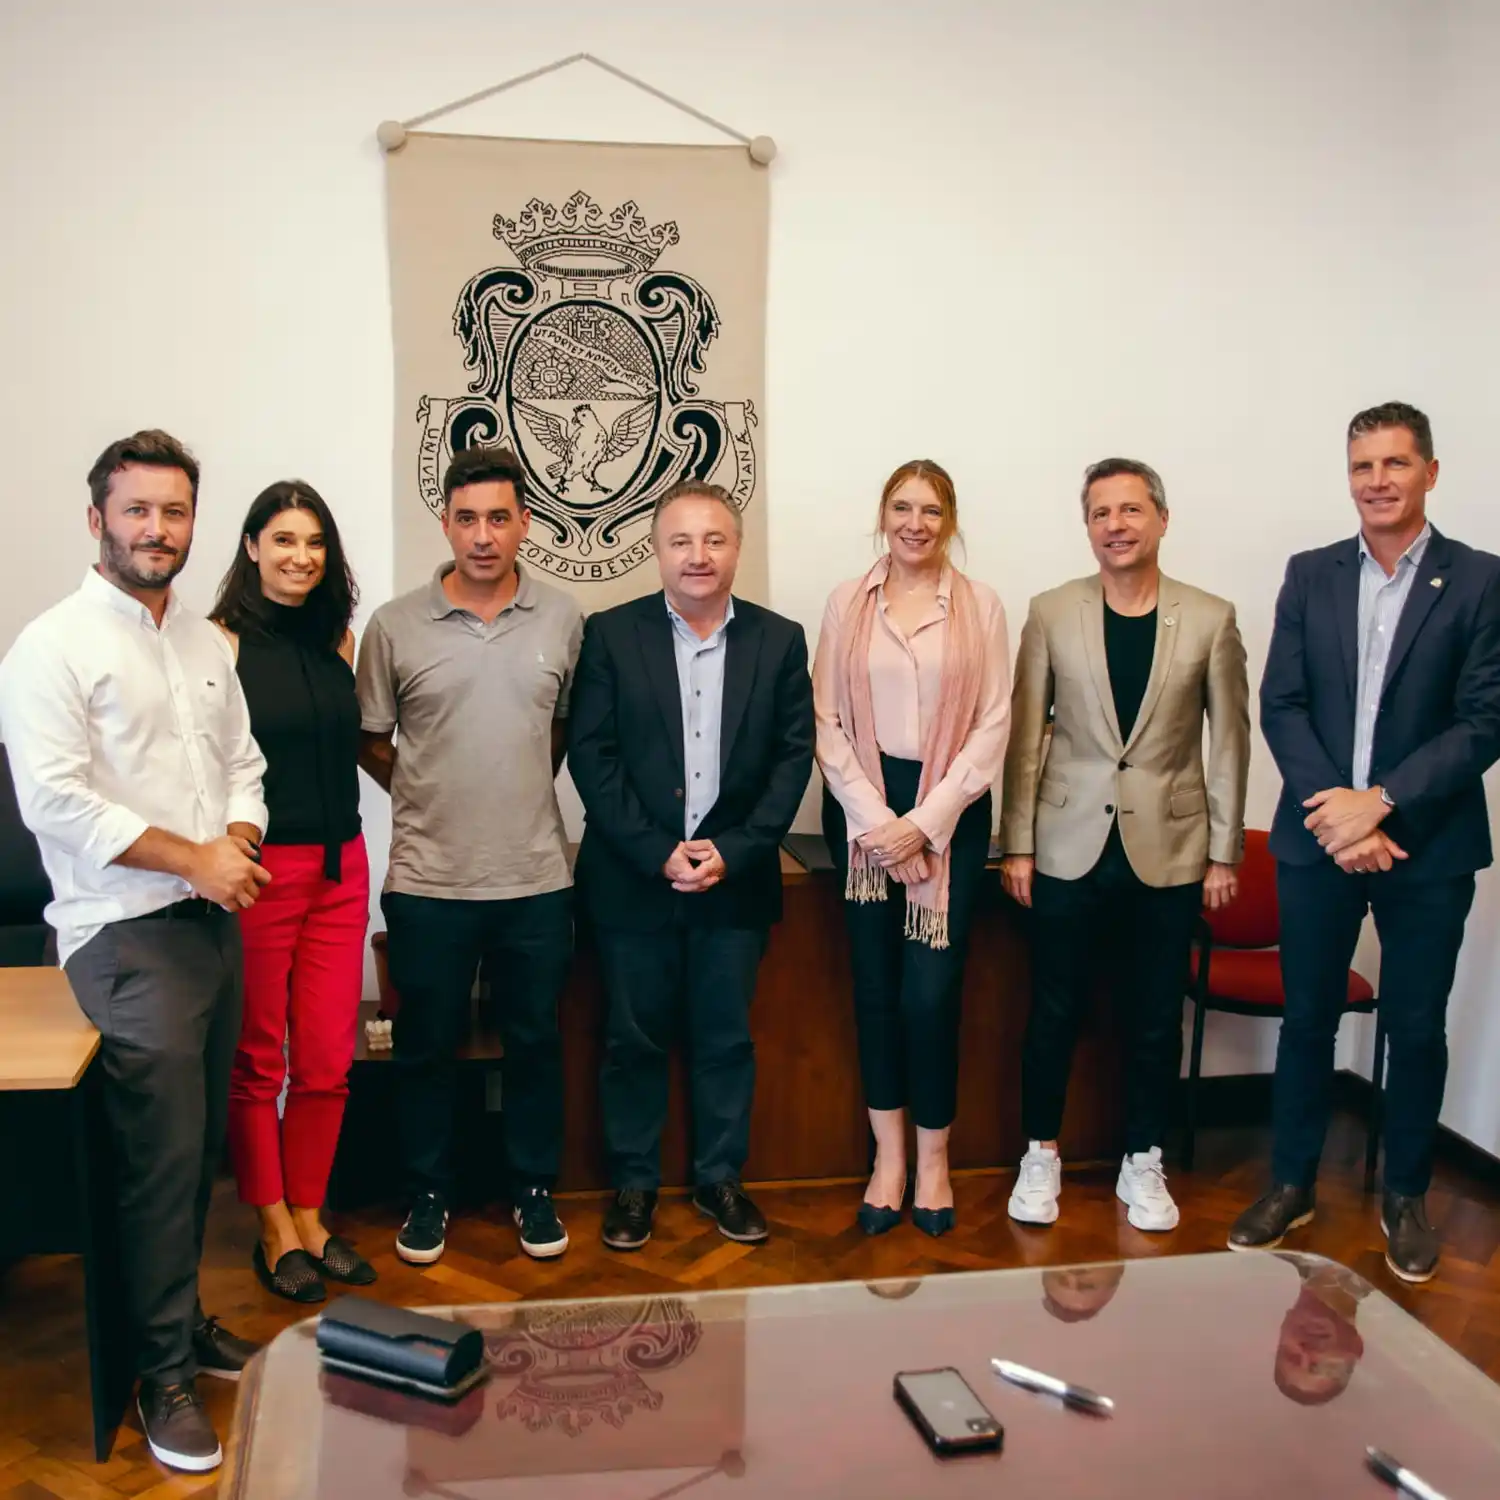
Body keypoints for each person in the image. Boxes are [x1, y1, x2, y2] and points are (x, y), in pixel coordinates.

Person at [0, 430, 270, 1472]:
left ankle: (182, 1320)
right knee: (158, 1164)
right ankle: (158, 1377)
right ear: (97, 518)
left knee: (195, 1149)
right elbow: (55, 803)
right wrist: (192, 861)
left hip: (212, 923)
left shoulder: (205, 641)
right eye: (138, 510)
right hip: (124, 933)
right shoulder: (51, 647)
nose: (158, 529)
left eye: (175, 512)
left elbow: (241, 763)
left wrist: (235, 845)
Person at [1231, 402, 1500, 1283]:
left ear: (1430, 471)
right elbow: (1283, 703)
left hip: (1430, 842)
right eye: (1361, 467)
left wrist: (1378, 805)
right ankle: (1291, 1182)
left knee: (1416, 1028)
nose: (1377, 481)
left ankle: (1407, 1196)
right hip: (1320, 841)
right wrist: (1335, 814)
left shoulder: (1480, 580)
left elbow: (1483, 720)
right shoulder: (1310, 575)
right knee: (1308, 1022)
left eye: (1394, 464)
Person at [1001, 457, 1249, 1233]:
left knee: (1151, 1017)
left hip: (1170, 851)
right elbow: (1025, 738)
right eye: (1101, 512)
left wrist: (1223, 851)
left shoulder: (1210, 617)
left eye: (1132, 510)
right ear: (1088, 526)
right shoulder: (1050, 611)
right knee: (1053, 1010)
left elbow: (1231, 741)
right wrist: (1016, 844)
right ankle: (1038, 1154)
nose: (1117, 524)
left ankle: (1144, 1160)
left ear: (1162, 520)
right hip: (1066, 844)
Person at [569, 480, 814, 1251]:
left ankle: (719, 1179)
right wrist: (657, 850)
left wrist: (734, 852)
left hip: (733, 883)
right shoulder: (610, 635)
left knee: (725, 1040)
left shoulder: (780, 640)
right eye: (681, 541)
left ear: (737, 548)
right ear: (657, 551)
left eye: (714, 539)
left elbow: (792, 757)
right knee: (632, 1041)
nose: (698, 555)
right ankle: (635, 1186)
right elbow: (591, 754)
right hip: (634, 879)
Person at [356, 445, 582, 1265]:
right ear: (445, 524)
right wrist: (431, 791)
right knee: (426, 1049)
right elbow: (373, 739)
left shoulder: (561, 620)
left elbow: (556, 733)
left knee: (534, 1043)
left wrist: (511, 786)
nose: (482, 535)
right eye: (466, 519)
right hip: (429, 879)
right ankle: (428, 1194)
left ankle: (532, 1189)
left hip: (534, 876)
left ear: (525, 523)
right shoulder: (394, 626)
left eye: (498, 518)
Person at [813, 458, 1010, 1237]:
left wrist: (926, 822)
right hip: (864, 816)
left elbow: (995, 721)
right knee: (875, 992)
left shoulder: (983, 607)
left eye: (931, 510)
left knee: (930, 997)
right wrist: (876, 819)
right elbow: (825, 723)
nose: (915, 523)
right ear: (882, 514)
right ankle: (887, 1159)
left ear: (950, 521)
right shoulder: (844, 603)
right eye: (902, 507)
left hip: (950, 812)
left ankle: (935, 1160)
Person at [212, 480, 373, 1303]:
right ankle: (272, 1225)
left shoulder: (337, 642)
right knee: (257, 1058)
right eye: (282, 540)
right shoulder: (219, 645)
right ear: (250, 547)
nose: (299, 557)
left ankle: (311, 1214)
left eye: (313, 543)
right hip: (264, 875)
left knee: (326, 1059)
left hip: (342, 871)